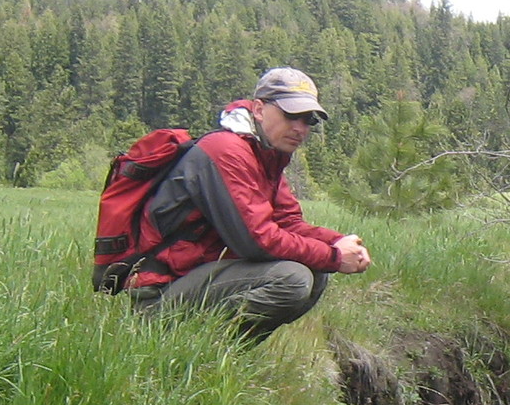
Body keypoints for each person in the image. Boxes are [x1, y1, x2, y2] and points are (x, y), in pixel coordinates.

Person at [131, 67, 372, 341]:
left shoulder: (267, 155)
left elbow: (289, 223)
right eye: (291, 115)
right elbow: (256, 240)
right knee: (293, 279)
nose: (300, 128)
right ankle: (195, 352)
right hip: (158, 295)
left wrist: (339, 242)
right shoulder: (226, 151)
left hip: (193, 279)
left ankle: (226, 359)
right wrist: (334, 256)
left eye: (309, 120)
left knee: (316, 272)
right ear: (258, 109)